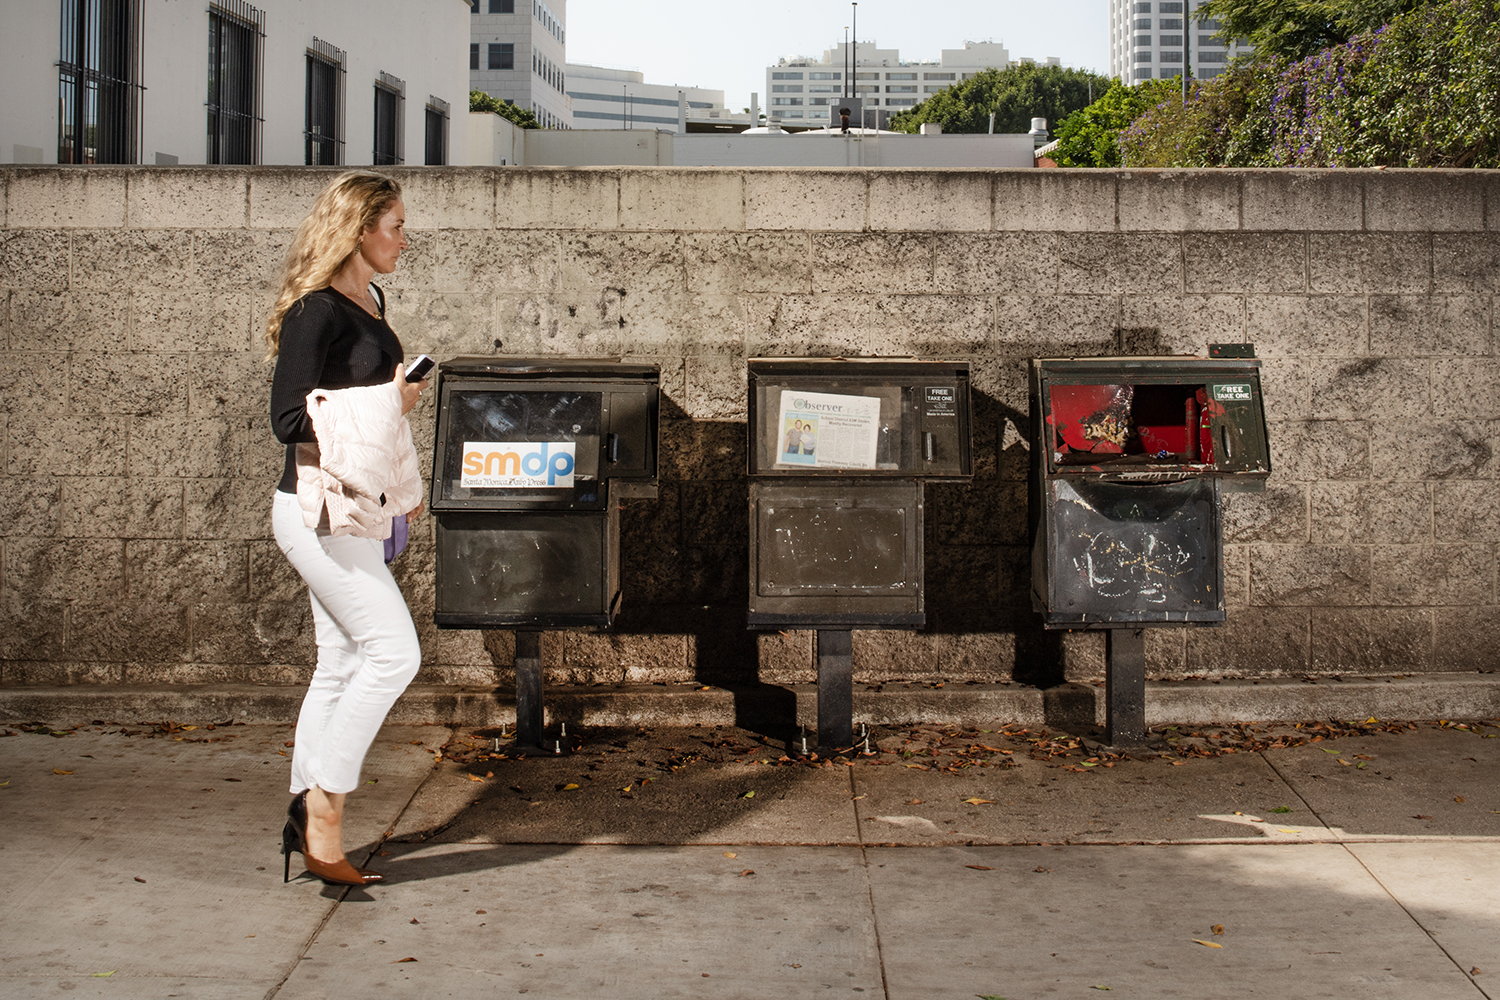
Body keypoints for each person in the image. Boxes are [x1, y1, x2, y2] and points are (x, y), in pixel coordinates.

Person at [266, 171, 426, 887]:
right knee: (393, 655)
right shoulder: (316, 311)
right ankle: (325, 806)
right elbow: (289, 420)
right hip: (315, 511)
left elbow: (360, 411)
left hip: (356, 508)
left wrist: (393, 416)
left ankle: (303, 807)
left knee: (338, 664)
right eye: (395, 226)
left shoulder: (372, 302)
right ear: (361, 229)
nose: (403, 239)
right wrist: (388, 402)